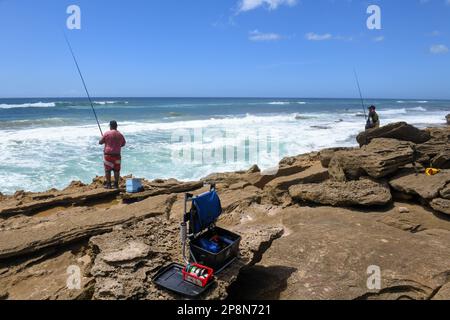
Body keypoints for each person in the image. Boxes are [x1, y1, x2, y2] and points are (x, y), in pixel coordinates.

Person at [99, 121, 126, 189]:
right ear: (116, 126)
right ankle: (116, 185)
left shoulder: (107, 133)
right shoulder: (120, 134)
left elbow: (100, 142)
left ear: (110, 126)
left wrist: (104, 140)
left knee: (107, 170)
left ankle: (109, 185)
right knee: (116, 170)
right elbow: (123, 144)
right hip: (117, 155)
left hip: (108, 155)